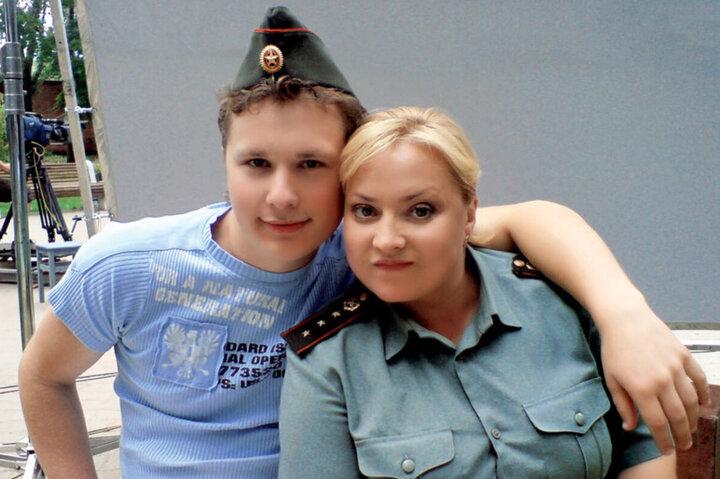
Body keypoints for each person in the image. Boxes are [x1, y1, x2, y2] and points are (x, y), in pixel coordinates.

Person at [18, 7, 706, 478]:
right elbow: (44, 376)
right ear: (224, 161)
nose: (282, 195)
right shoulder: (129, 265)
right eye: (256, 163)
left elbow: (530, 218)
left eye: (311, 164)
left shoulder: (366, 250)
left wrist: (625, 316)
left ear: (347, 172)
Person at [279, 107, 678, 478]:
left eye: (420, 211)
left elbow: (648, 450)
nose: (387, 240)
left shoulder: (560, 298)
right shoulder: (328, 362)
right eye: (366, 211)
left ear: (469, 214)